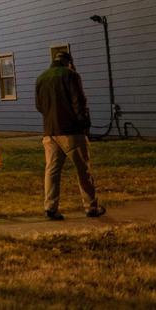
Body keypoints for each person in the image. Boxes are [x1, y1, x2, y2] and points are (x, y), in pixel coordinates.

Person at [35, 50, 106, 220]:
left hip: (50, 131)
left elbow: (39, 106)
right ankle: (91, 207)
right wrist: (84, 124)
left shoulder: (41, 78)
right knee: (83, 170)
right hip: (71, 131)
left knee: (51, 170)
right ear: (69, 62)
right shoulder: (71, 75)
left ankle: (50, 207)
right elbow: (78, 102)